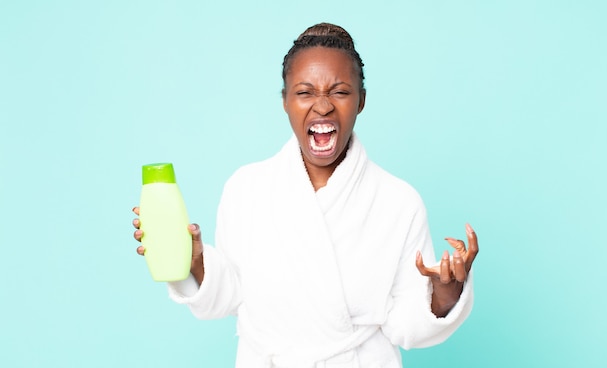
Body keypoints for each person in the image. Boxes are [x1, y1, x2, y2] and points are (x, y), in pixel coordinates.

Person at [132, 22, 479, 368]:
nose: (323, 106)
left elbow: (406, 326)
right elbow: (227, 299)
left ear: (361, 101)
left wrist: (445, 296)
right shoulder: (246, 189)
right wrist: (195, 264)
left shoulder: (399, 202)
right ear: (285, 101)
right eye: (305, 92)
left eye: (340, 92)